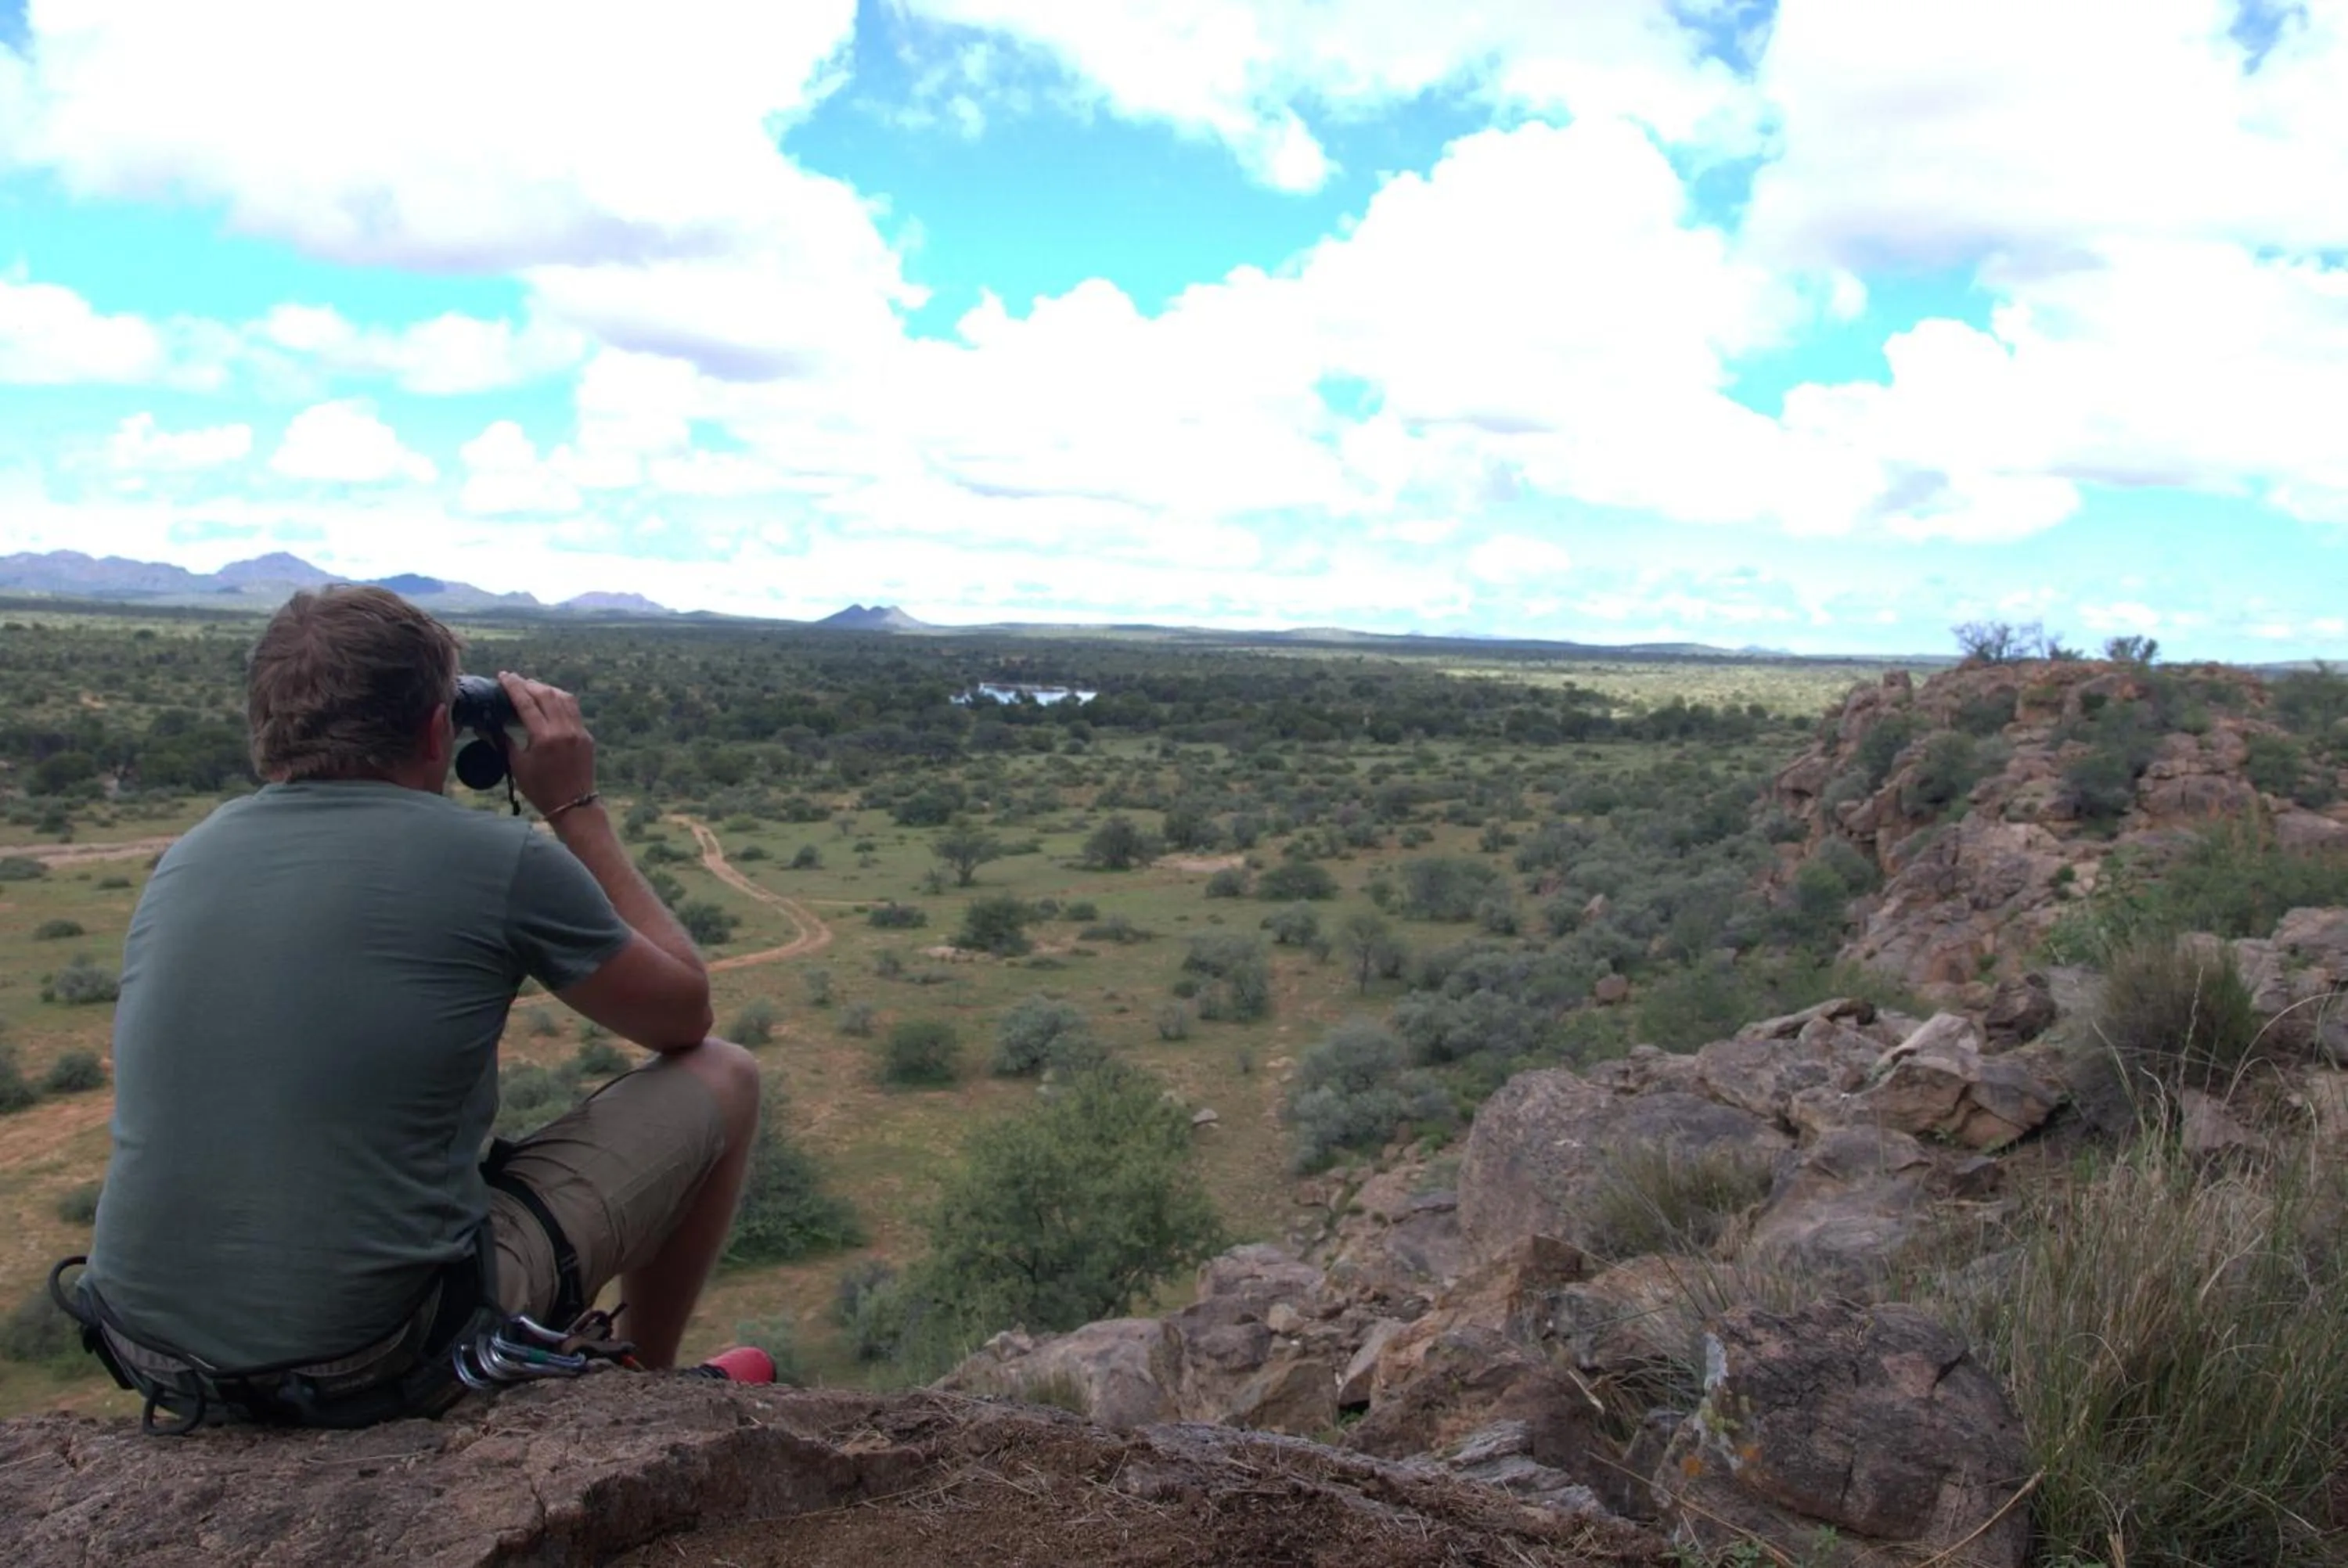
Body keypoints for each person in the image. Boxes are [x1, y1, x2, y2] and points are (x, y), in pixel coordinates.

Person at [63, 584, 766, 1429]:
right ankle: (648, 1393)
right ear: (441, 729)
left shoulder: (189, 855)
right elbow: (684, 1014)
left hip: (150, 1350)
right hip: (376, 1351)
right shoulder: (496, 858)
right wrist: (575, 809)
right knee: (726, 1075)